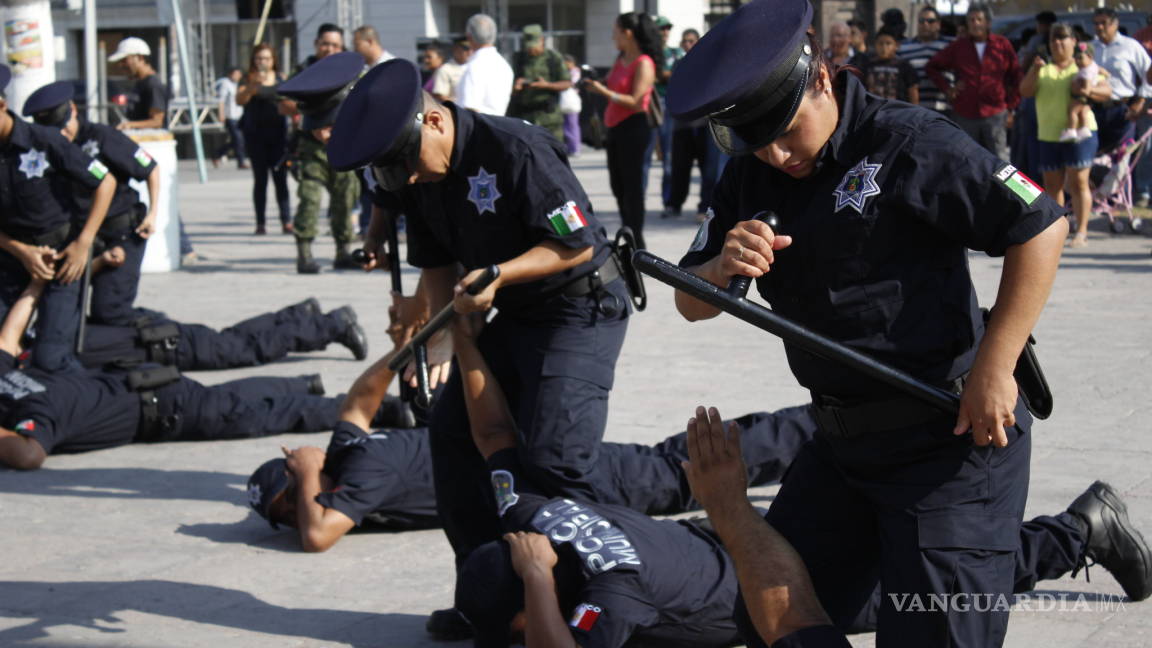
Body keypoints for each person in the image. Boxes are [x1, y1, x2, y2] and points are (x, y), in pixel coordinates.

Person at [668, 0, 1068, 644]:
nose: (774, 154)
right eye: (755, 141)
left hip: (949, 438)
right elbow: (689, 300)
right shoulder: (751, 173)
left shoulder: (909, 140)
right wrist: (718, 268)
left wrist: (997, 362)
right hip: (843, 446)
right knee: (769, 614)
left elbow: (1042, 224)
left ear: (821, 79)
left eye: (785, 131)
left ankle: (1072, 536)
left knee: (930, 631)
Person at [328, 58, 632, 632]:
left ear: (435, 122)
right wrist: (442, 345)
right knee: (451, 433)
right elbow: (439, 267)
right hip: (513, 309)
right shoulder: (415, 176)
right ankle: (486, 592)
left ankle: (585, 605)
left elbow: (579, 246)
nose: (411, 181)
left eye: (411, 167)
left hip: (578, 306)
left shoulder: (517, 149)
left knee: (554, 457)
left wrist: (500, 272)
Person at [681, 407, 1152, 647]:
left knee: (933, 591)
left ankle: (1078, 532)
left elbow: (791, 623)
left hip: (739, 558)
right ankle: (1079, 532)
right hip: (741, 551)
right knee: (934, 590)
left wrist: (731, 512)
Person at [446, 311, 743, 647]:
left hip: (765, 578)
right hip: (716, 536)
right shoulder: (530, 513)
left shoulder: (614, 590)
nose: (520, 641)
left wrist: (536, 574)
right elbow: (494, 434)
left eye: (517, 634)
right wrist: (464, 342)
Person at [0, 65, 116, 373]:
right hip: (13, 257)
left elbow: (104, 182)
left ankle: (81, 406)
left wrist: (84, 242)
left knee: (51, 358)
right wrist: (22, 252)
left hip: (65, 257)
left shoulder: (44, 139)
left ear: (2, 105)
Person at [22, 81, 161, 327]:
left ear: (73, 110)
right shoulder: (50, 146)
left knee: (109, 310)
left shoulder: (103, 136)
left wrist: (153, 213)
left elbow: (150, 168)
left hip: (121, 234)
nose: (61, 134)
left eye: (62, 126)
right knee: (62, 310)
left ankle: (159, 331)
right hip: (82, 237)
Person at [78, 296, 368, 371]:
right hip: (159, 335)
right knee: (230, 338)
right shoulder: (62, 330)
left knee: (241, 349)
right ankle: (299, 315)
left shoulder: (55, 344)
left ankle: (333, 325)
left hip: (166, 343)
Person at [1022, 26, 1113, 249]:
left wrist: (1087, 91)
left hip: (1081, 134)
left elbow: (1107, 91)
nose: (1058, 43)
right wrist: (1034, 70)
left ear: (1074, 41)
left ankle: (1081, 231)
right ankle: (1057, 231)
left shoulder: (1083, 65)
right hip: (1049, 134)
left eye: (1064, 39)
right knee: (1052, 186)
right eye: (1054, 39)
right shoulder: (1043, 68)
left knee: (1078, 182)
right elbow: (1025, 92)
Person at [277, 51, 362, 273]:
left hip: (343, 147)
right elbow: (282, 103)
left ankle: (343, 252)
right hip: (311, 150)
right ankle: (304, 254)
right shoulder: (304, 72)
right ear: (316, 44)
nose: (329, 48)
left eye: (334, 44)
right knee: (310, 198)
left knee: (346, 197)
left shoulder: (351, 73)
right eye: (325, 43)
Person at [583, 12, 661, 250]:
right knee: (618, 185)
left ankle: (637, 240)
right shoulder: (621, 59)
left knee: (632, 187)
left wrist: (604, 93)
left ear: (628, 33)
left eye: (615, 31)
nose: (612, 36)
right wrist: (595, 84)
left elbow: (637, 101)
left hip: (635, 129)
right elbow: (612, 85)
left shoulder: (644, 62)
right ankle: (628, 232)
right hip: (615, 129)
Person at [927, 3, 1022, 160]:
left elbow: (1016, 75)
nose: (975, 23)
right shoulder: (958, 46)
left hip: (995, 112)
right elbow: (932, 67)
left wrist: (1011, 107)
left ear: (988, 23)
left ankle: (1001, 187)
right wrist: (948, 89)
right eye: (971, 20)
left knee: (1000, 160)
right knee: (966, 158)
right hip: (965, 112)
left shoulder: (1001, 45)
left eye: (979, 19)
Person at [667, 29, 726, 223]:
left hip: (706, 125)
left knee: (709, 170)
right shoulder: (679, 64)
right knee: (679, 168)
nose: (687, 44)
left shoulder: (709, 63)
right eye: (685, 41)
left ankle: (704, 207)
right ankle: (674, 204)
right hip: (682, 125)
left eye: (691, 41)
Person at [236, 44, 291, 235]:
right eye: (259, 58)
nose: (263, 62)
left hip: (278, 136)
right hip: (255, 137)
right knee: (260, 181)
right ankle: (261, 222)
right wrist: (252, 87)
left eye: (266, 58)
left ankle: (286, 220)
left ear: (273, 60)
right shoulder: (248, 79)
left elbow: (290, 102)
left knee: (280, 180)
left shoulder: (281, 79)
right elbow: (240, 100)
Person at [1090, 7, 1152, 154]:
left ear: (1115, 24)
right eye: (1096, 23)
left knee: (1123, 160)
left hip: (1122, 111)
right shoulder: (1091, 48)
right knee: (1096, 162)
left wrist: (1141, 101)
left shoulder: (1130, 46)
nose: (1099, 27)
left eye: (1104, 23)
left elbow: (1148, 75)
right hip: (1093, 110)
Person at [508, 24, 571, 142]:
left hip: (549, 119)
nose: (531, 49)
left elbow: (567, 83)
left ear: (542, 40)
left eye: (533, 46)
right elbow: (508, 88)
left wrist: (547, 85)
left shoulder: (553, 58)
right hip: (525, 119)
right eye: (528, 47)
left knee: (552, 157)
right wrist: (516, 87)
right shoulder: (519, 58)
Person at [648, 15, 684, 220]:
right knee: (643, 160)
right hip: (650, 106)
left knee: (668, 159)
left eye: (667, 28)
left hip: (670, 105)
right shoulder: (647, 53)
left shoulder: (675, 52)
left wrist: (661, 74)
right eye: (661, 28)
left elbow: (679, 73)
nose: (664, 32)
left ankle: (669, 202)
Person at [898, 6, 954, 115]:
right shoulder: (903, 47)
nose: (925, 25)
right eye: (921, 21)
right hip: (914, 109)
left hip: (944, 108)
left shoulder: (951, 45)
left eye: (930, 21)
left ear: (938, 24)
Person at [456, 14, 514, 116]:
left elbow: (469, 109)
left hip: (476, 129)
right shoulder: (504, 66)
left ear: (469, 37)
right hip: (496, 125)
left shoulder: (475, 66)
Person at [108, 37, 170, 131]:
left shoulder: (153, 84)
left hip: (154, 143)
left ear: (140, 57)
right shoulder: (141, 83)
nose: (121, 65)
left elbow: (157, 122)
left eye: (125, 60)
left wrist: (130, 125)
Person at [860, 29, 920, 103]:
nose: (884, 47)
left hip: (898, 110)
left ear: (896, 46)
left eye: (888, 43)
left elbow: (912, 90)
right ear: (875, 45)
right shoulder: (867, 65)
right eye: (880, 43)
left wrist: (914, 111)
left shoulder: (904, 66)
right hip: (873, 110)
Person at [1064, 42, 1107, 142]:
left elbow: (1087, 87)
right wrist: (1107, 74)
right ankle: (1084, 129)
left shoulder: (1086, 71)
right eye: (1076, 58)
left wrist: (1082, 90)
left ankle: (1071, 130)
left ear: (1090, 57)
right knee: (1082, 113)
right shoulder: (1092, 67)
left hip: (1081, 97)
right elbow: (1101, 70)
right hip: (1085, 97)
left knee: (1072, 111)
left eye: (1081, 58)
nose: (1078, 61)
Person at [212, 67, 247, 169]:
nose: (238, 76)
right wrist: (221, 114)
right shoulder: (225, 84)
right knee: (238, 139)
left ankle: (217, 153)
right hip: (230, 116)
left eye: (239, 74)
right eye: (236, 74)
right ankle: (241, 162)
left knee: (238, 140)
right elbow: (221, 100)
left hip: (239, 115)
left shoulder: (239, 85)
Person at [431, 38, 469, 103]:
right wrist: (459, 106)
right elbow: (440, 95)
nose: (469, 52)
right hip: (456, 110)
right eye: (465, 49)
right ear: (455, 49)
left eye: (471, 49)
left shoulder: (474, 67)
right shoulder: (445, 69)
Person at [561, 54, 582, 156]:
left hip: (571, 102)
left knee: (572, 126)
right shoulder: (566, 72)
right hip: (565, 103)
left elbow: (572, 83)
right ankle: (570, 147)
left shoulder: (575, 72)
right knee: (566, 127)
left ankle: (575, 148)